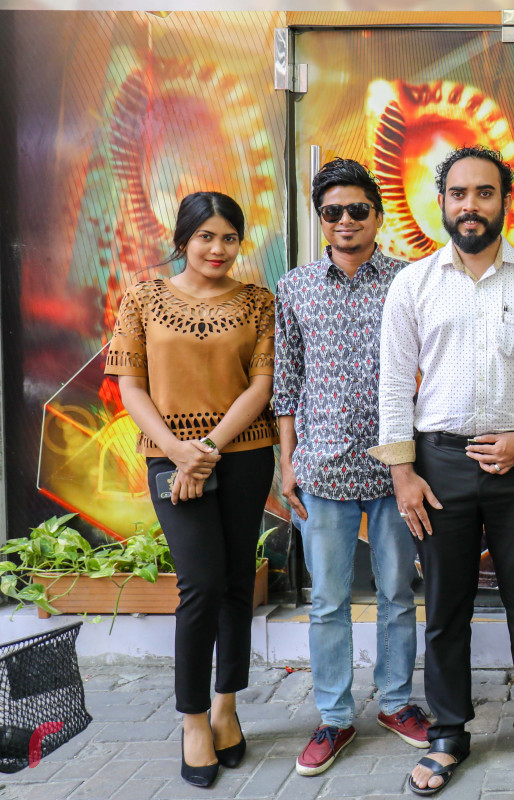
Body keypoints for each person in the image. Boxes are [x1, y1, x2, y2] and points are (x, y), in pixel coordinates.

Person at [371, 145, 514, 796]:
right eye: (458, 193)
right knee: (445, 606)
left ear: (504, 202)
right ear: (442, 201)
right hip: (440, 464)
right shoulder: (414, 284)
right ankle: (448, 733)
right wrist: (404, 473)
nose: (470, 205)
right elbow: (392, 384)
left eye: (484, 193)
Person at [105, 192, 277, 788]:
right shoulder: (143, 298)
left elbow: (260, 387)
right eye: (206, 236)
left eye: (229, 237)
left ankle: (227, 709)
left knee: (236, 584)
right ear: (183, 240)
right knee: (200, 585)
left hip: (244, 454)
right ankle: (193, 720)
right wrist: (178, 452)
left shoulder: (258, 302)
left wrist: (204, 450)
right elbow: (130, 386)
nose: (218, 248)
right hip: (168, 459)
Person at [274, 158, 430, 777]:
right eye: (332, 211)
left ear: (378, 215)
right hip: (323, 467)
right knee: (328, 600)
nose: (346, 220)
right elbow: (287, 381)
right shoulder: (295, 287)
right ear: (320, 219)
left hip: (396, 468)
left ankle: (396, 703)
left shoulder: (411, 281)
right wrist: (287, 461)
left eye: (357, 209)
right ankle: (335, 716)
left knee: (397, 593)